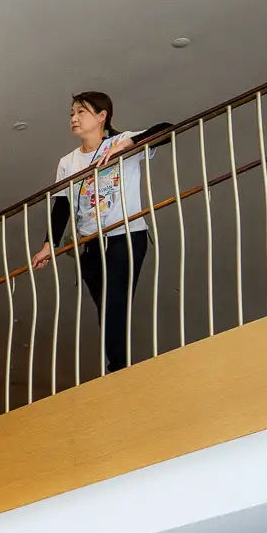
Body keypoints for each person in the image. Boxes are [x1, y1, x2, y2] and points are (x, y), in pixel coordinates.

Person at [31, 92, 170, 375]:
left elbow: (167, 130)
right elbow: (63, 205)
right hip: (89, 244)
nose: (73, 118)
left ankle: (118, 369)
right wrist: (49, 245)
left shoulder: (122, 141)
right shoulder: (68, 162)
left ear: (102, 116)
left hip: (126, 235)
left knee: (115, 300)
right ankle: (119, 365)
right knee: (105, 309)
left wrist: (127, 145)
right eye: (71, 113)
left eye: (81, 112)